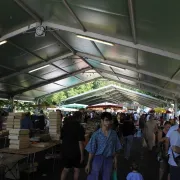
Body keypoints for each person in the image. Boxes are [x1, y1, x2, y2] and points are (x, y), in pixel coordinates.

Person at [85, 112, 121, 180]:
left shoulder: (113, 134)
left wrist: (115, 161)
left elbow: (116, 148)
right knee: (95, 177)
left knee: (106, 177)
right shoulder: (96, 135)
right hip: (97, 159)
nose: (108, 123)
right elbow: (91, 150)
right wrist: (88, 163)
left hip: (109, 160)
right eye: (106, 120)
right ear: (102, 121)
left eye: (109, 120)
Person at [60, 111, 85, 180]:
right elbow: (80, 142)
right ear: (80, 117)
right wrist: (82, 155)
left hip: (65, 151)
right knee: (76, 170)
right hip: (75, 152)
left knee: (65, 169)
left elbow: (61, 140)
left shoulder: (65, 125)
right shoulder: (80, 127)